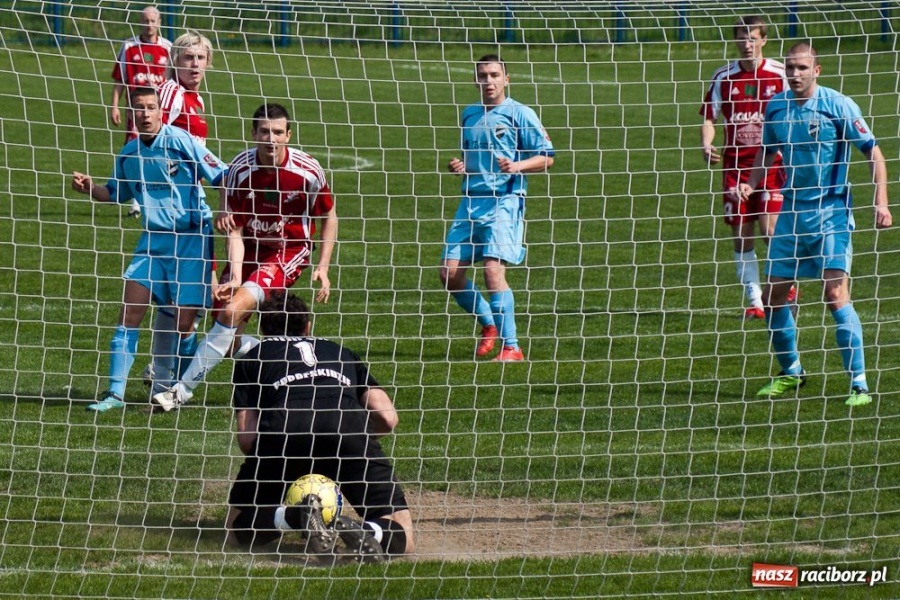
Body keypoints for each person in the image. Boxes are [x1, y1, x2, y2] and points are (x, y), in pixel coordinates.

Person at [152, 103, 337, 411]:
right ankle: (290, 354)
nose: (271, 139)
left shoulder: (307, 171)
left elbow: (329, 214)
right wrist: (236, 276)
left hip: (287, 252)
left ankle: (179, 393)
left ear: (288, 135)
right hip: (248, 249)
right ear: (253, 133)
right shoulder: (239, 169)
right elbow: (235, 229)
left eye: (278, 132)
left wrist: (324, 266)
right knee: (228, 336)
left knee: (230, 311)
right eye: (264, 131)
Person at [736, 43, 892, 406]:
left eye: (802, 68)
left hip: (831, 211)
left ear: (816, 70)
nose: (795, 74)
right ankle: (791, 371)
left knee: (835, 294)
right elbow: (767, 152)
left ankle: (859, 384)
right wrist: (751, 183)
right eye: (790, 68)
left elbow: (874, 153)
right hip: (791, 212)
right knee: (773, 297)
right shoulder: (776, 107)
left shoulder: (838, 105)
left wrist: (881, 203)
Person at [71, 86, 227, 412]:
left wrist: (225, 210)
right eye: (139, 108)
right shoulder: (129, 153)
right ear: (132, 113)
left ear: (160, 111)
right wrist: (90, 188)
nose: (145, 113)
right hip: (153, 241)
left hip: (192, 239)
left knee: (185, 323)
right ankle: (114, 395)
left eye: (151, 107)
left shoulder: (182, 141)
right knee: (130, 313)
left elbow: (223, 176)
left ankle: (177, 391)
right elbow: (115, 192)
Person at [224, 292, 414, 559]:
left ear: (264, 330)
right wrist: (353, 445)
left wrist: (286, 460)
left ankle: (293, 517)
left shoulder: (253, 358)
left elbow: (247, 438)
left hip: (285, 429)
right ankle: (366, 530)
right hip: (346, 427)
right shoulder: (342, 352)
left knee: (234, 529)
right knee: (402, 529)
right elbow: (387, 417)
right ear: (308, 325)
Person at [440, 54, 554, 362]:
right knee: (449, 275)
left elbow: (547, 156)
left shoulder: (520, 113)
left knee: (493, 271)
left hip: (505, 200)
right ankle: (489, 322)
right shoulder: (469, 114)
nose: (488, 81)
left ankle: (512, 347)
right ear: (475, 80)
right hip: (470, 202)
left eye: (494, 75)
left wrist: (517, 166)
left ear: (506, 79)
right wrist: (460, 166)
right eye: (482, 76)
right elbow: (474, 158)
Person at [700, 16, 794, 320]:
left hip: (772, 164)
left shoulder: (780, 74)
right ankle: (755, 301)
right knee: (742, 235)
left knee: (771, 230)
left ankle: (786, 288)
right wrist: (706, 143)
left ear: (763, 40)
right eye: (742, 37)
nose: (747, 44)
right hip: (735, 167)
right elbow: (709, 117)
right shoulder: (723, 77)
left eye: (752, 38)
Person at [142, 30, 217, 397]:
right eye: (188, 58)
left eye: (201, 58)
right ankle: (165, 375)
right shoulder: (171, 92)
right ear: (175, 61)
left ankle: (163, 368)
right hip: (178, 208)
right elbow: (153, 139)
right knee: (183, 297)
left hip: (192, 202)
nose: (195, 64)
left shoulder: (195, 97)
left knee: (192, 296)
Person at [109, 5, 172, 218]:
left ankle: (164, 197)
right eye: (145, 21)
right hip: (136, 112)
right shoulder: (129, 47)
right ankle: (137, 202)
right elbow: (120, 79)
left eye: (153, 21)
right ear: (140, 22)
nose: (149, 25)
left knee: (163, 152)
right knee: (137, 152)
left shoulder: (168, 48)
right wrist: (114, 106)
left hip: (162, 113)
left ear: (159, 23)